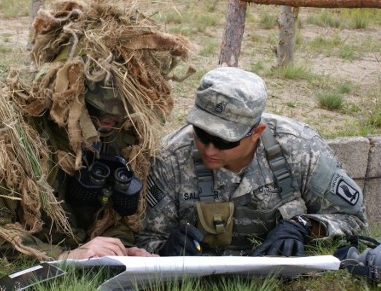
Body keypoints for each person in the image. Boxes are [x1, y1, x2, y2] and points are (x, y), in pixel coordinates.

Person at [0, 0, 194, 266]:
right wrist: (63, 258)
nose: (110, 123)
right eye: (97, 111)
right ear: (67, 93)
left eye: (120, 115)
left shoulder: (122, 136)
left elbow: (118, 219)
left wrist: (118, 251)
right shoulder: (8, 136)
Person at [136, 66, 367, 257]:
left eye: (225, 141)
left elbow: (354, 219)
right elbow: (146, 240)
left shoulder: (300, 149)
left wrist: (303, 226)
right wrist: (168, 249)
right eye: (202, 134)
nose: (209, 149)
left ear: (256, 132)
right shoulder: (170, 158)